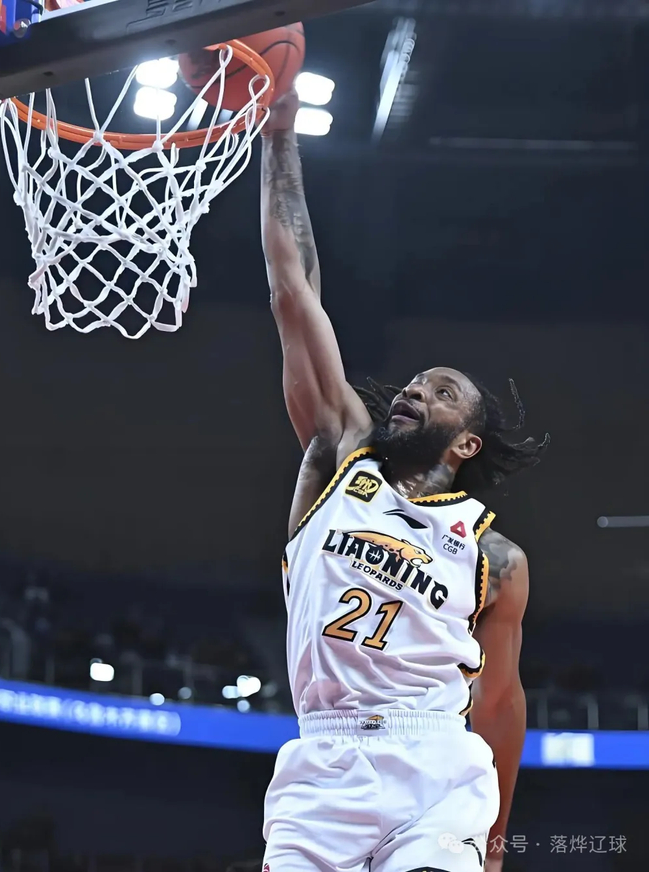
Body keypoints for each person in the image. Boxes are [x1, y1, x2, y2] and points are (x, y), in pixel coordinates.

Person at [259, 91, 548, 872]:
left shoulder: (497, 558)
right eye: (415, 382)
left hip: (436, 767)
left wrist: (495, 842)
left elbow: (499, 703)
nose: (416, 390)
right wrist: (279, 133)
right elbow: (293, 291)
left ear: (467, 441)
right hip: (322, 762)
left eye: (441, 391)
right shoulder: (339, 456)